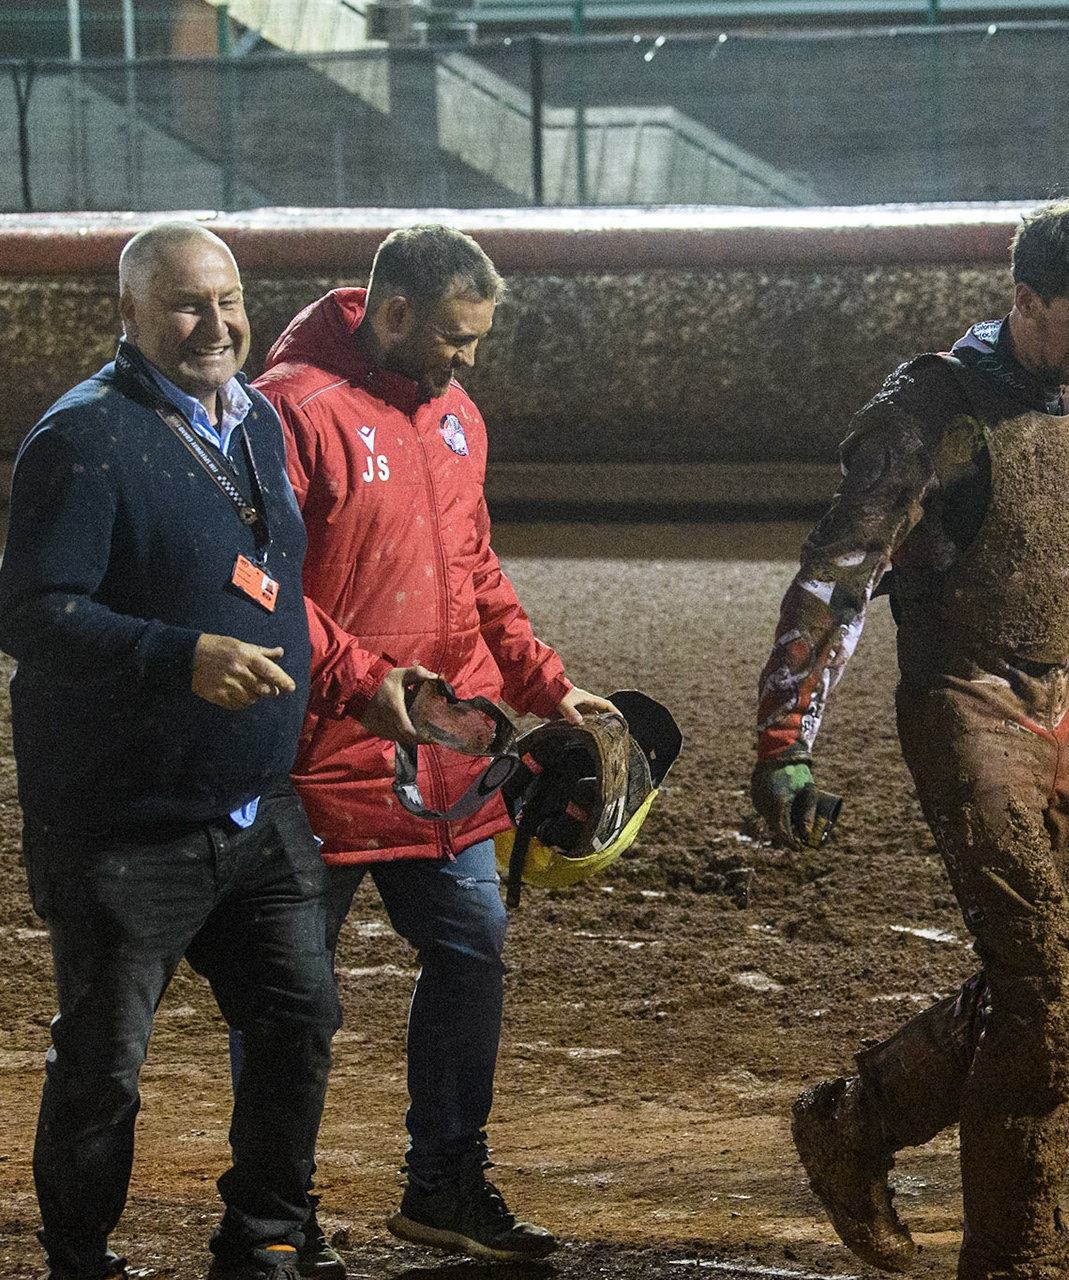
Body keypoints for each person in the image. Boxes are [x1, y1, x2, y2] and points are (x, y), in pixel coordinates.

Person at [751, 197, 1069, 1280]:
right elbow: (840, 576)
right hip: (962, 703)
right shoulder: (930, 412)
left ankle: (853, 1125)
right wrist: (786, 738)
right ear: (1022, 299)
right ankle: (1014, 1247)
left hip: (1062, 706)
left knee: (1054, 992)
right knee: (1057, 993)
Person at [0, 222, 421, 1280]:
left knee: (300, 1014)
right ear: (129, 315)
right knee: (103, 1064)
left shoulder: (257, 425)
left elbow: (272, 591)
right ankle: (79, 1259)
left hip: (251, 807)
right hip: (121, 827)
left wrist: (361, 683)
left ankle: (264, 1230)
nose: (216, 323)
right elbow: (32, 613)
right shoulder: (83, 438)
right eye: (187, 304)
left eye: (228, 299)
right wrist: (177, 654)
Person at [243, 224, 618, 1263]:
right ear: (394, 312)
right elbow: (264, 593)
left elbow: (476, 570)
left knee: (473, 954)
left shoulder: (457, 414)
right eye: (455, 337)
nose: (468, 358)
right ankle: (276, 1217)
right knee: (290, 996)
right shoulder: (287, 411)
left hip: (446, 756)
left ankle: (444, 1184)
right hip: (319, 758)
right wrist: (366, 686)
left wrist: (548, 683)